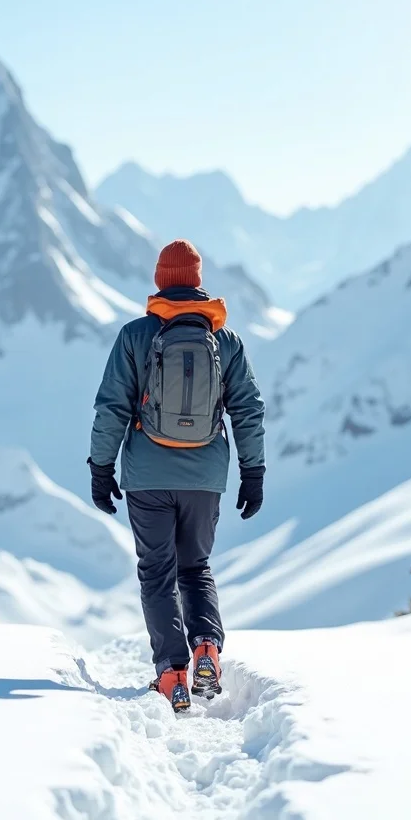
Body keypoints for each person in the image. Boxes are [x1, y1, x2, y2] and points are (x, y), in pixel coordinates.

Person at [88, 239, 265, 712]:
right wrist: (254, 471)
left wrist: (101, 468)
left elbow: (112, 407)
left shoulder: (136, 335)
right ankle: (206, 648)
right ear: (198, 279)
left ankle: (172, 674)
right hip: (206, 477)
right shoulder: (224, 342)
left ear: (160, 280)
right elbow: (247, 410)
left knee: (157, 574)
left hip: (147, 476)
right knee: (196, 568)